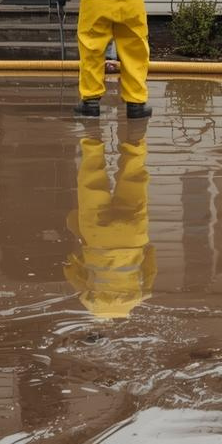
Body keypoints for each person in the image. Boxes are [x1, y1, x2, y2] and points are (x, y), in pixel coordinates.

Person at [64, 132, 156, 319]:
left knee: (134, 181)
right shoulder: (92, 302)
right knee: (91, 187)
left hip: (133, 238)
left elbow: (150, 268)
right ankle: (92, 143)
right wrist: (74, 258)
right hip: (98, 239)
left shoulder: (138, 297)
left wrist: (147, 249)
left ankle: (135, 144)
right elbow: (72, 273)